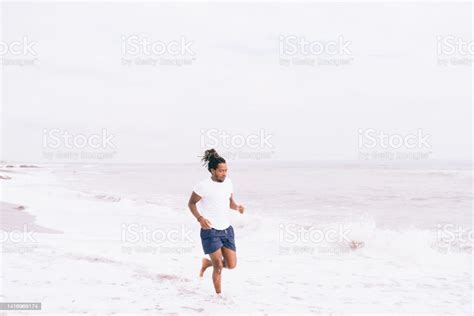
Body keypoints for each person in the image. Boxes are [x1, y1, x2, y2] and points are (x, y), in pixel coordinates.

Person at [188, 149, 245, 294]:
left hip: (227, 230)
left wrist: (237, 207)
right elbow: (191, 204)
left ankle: (207, 263)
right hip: (210, 231)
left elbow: (230, 202)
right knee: (218, 266)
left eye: (226, 170)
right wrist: (200, 218)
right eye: (221, 171)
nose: (224, 173)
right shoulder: (202, 186)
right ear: (212, 170)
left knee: (231, 265)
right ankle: (219, 299)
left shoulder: (228, 183)